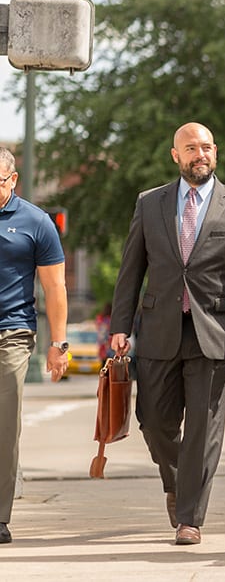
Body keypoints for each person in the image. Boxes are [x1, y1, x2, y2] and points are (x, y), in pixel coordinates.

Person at [109, 122, 225, 546]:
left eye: (206, 147)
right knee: (153, 423)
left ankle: (190, 518)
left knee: (203, 425)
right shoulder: (149, 203)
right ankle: (178, 482)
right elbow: (131, 272)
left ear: (215, 152)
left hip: (213, 331)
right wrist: (120, 327)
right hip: (158, 327)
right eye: (191, 148)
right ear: (174, 155)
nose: (200, 154)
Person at [0, 147, 69, 545]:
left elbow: (55, 286)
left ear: (13, 180)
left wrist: (59, 343)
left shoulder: (36, 222)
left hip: (11, 333)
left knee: (4, 427)